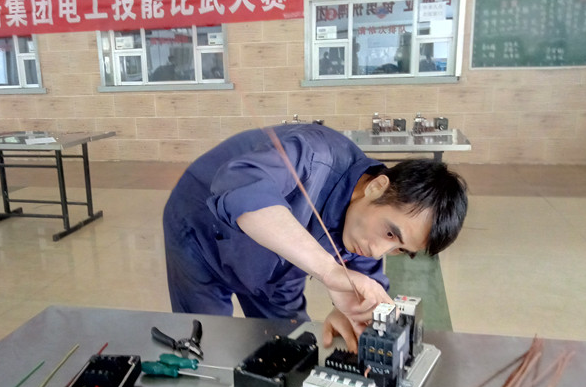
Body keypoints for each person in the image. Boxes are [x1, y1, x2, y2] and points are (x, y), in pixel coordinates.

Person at [162, 123, 467, 351]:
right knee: (205, 340)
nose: (378, 252)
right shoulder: (314, 155)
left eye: (398, 249)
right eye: (390, 233)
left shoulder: (367, 228)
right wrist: (329, 270)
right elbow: (241, 188)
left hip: (278, 270)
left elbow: (366, 284)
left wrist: (348, 310)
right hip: (200, 232)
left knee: (292, 344)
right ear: (377, 187)